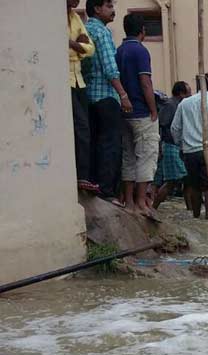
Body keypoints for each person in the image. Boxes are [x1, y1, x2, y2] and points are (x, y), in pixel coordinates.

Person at [83, 0, 132, 205]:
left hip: (88, 95)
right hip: (105, 95)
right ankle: (107, 191)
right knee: (110, 144)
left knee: (94, 142)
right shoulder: (102, 33)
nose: (113, 11)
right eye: (109, 6)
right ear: (97, 9)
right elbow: (110, 68)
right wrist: (123, 94)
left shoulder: (85, 29)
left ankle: (94, 185)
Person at [115, 13, 160, 217]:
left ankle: (130, 201)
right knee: (146, 155)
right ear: (143, 30)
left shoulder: (119, 50)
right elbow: (145, 82)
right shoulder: (140, 51)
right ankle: (141, 202)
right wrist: (153, 110)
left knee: (129, 156)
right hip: (141, 111)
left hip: (124, 112)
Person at [171, 73, 208, 218]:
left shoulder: (184, 103)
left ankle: (196, 216)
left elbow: (175, 128)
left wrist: (182, 145)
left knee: (194, 187)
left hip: (190, 152)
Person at [68, 0, 98, 195]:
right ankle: (80, 176)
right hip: (65, 81)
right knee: (79, 128)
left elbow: (90, 49)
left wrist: (74, 45)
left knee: (84, 128)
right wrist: (79, 45)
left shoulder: (76, 17)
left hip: (79, 81)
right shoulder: (54, 18)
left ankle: (83, 176)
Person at [153, 81, 191, 209]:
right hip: (170, 145)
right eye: (188, 93)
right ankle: (154, 207)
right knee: (172, 181)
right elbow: (162, 124)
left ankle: (190, 210)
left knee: (186, 180)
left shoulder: (180, 105)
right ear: (181, 93)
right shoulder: (170, 105)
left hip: (179, 146)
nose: (190, 96)